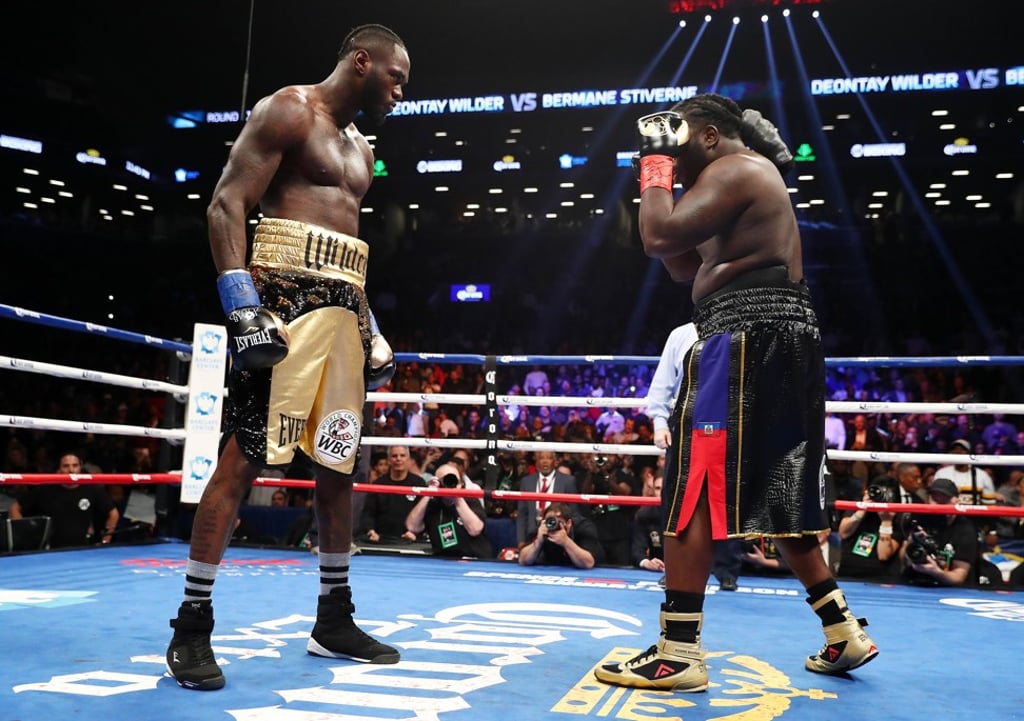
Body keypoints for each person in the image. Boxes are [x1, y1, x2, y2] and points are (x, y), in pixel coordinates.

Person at [595, 94, 877, 693]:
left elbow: (655, 235)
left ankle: (678, 653)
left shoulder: (736, 168)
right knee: (781, 489)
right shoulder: (737, 183)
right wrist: (660, 181)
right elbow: (675, 260)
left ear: (712, 136)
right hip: (777, 334)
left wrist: (654, 161)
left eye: (682, 136)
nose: (674, 145)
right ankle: (841, 630)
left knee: (691, 483)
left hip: (746, 334)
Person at [164, 24, 410, 691]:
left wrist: (371, 325)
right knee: (242, 459)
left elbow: (343, 243)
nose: (399, 91)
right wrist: (241, 305)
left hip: (344, 312)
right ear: (362, 60)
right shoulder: (289, 109)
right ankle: (191, 624)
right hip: (279, 301)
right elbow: (227, 203)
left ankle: (334, 617)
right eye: (394, 77)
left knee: (336, 467)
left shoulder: (361, 147)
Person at [647, 320, 742, 590]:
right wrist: (660, 422)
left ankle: (726, 570)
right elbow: (663, 382)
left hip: (732, 423)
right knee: (677, 501)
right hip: (685, 424)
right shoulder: (681, 334)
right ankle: (676, 568)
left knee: (727, 499)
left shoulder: (743, 332)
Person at [9, 452, 119, 548]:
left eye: (75, 466)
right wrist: (24, 537)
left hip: (81, 548)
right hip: (49, 549)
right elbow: (15, 508)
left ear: (80, 469)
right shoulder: (45, 489)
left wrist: (105, 540)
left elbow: (113, 514)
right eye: (66, 466)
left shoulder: (91, 489)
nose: (71, 470)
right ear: (58, 470)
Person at [899, 478, 978, 587]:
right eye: (935, 499)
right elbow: (902, 560)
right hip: (914, 581)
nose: (938, 505)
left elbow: (959, 576)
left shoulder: (965, 529)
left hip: (946, 588)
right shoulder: (921, 519)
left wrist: (936, 572)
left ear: (956, 502)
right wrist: (911, 542)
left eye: (943, 501)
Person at [404, 462, 492, 559]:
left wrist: (457, 499)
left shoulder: (470, 500)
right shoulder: (432, 504)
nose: (451, 485)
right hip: (442, 560)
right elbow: (412, 527)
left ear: (461, 483)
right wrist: (428, 493)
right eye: (446, 481)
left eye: (455, 481)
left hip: (472, 558)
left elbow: (475, 530)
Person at [359, 445, 426, 543]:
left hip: (410, 540)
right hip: (381, 539)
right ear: (389, 460)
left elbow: (425, 513)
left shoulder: (419, 483)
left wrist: (415, 533)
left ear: (408, 459)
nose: (398, 459)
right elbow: (368, 512)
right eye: (394, 456)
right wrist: (371, 531)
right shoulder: (379, 484)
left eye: (402, 455)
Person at [515, 450, 576, 547]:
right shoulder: (526, 481)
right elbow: (522, 514)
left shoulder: (568, 481)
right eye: (541, 458)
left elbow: (573, 513)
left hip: (557, 534)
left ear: (555, 461)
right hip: (532, 536)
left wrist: (569, 540)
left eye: (548, 458)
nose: (545, 461)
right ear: (536, 461)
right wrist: (521, 541)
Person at [517, 502, 604, 569]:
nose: (554, 525)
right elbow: (523, 560)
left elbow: (588, 563)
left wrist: (566, 542)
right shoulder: (544, 528)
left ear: (569, 523)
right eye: (550, 521)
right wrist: (538, 542)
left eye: (559, 522)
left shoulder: (583, 527)